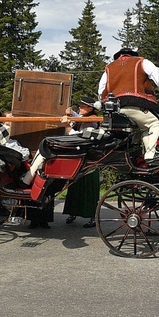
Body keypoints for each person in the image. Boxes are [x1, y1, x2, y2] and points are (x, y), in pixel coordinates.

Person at [98, 47, 159, 161]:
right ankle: (150, 154)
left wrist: (104, 103)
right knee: (156, 123)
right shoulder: (141, 62)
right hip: (136, 103)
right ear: (133, 55)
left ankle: (136, 154)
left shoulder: (108, 68)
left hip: (116, 108)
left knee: (139, 128)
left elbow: (101, 89)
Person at [62, 97, 101, 228]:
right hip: (79, 159)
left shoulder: (92, 121)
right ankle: (72, 212)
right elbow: (77, 116)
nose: (80, 108)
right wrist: (70, 112)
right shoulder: (84, 117)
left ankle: (92, 217)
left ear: (90, 108)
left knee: (88, 189)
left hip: (88, 159)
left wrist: (68, 126)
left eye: (82, 106)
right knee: (75, 187)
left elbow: (78, 138)